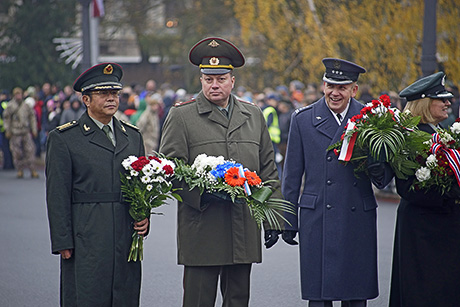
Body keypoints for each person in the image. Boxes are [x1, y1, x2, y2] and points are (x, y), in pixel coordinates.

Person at [159, 37, 281, 307]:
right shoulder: (182, 116)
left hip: (243, 229)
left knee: (238, 300)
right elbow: (169, 169)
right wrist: (202, 195)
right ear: (201, 80)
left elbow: (269, 170)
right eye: (208, 79)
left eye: (221, 78)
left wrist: (274, 218)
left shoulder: (253, 115)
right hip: (203, 229)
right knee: (199, 300)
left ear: (232, 80)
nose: (215, 85)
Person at [281, 58, 393, 307]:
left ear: (354, 89)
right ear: (323, 86)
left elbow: (384, 179)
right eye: (330, 85)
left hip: (356, 217)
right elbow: (291, 176)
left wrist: (376, 162)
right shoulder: (303, 120)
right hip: (317, 216)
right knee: (319, 298)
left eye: (342, 87)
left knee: (355, 296)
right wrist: (288, 219)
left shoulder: (372, 119)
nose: (335, 92)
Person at [45, 63, 149, 306]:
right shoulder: (65, 138)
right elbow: (57, 193)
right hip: (87, 233)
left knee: (125, 295)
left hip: (124, 233)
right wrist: (62, 240)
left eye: (115, 93)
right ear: (86, 100)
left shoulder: (132, 135)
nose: (111, 99)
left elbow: (141, 184)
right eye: (103, 94)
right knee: (88, 294)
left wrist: (144, 217)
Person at [389, 71, 460, 307]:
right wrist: (450, 194)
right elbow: (407, 187)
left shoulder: (439, 132)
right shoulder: (410, 137)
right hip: (422, 230)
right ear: (425, 103)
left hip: (440, 227)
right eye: (442, 99)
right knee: (423, 293)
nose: (448, 103)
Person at [3, 87, 39, 178]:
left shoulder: (26, 105)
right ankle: (20, 169)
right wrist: (8, 130)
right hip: (15, 132)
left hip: (25, 131)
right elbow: (6, 119)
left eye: (20, 94)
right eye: (17, 94)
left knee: (30, 150)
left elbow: (32, 117)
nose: (19, 96)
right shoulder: (10, 106)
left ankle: (32, 169)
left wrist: (34, 129)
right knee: (17, 152)